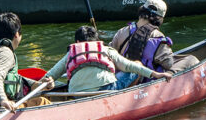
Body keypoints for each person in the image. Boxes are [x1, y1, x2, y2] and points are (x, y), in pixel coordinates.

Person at [41, 25, 173, 94]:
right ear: (97, 41)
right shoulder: (105, 49)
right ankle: (124, 97)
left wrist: (47, 82)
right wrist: (155, 74)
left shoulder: (71, 53)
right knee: (136, 64)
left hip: (76, 94)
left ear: (77, 42)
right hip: (106, 90)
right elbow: (129, 66)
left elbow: (50, 75)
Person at [109, 0, 199, 88]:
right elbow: (169, 63)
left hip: (121, 78)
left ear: (141, 11)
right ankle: (167, 81)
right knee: (191, 59)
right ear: (159, 18)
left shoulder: (122, 31)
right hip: (144, 82)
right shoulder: (156, 36)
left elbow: (110, 56)